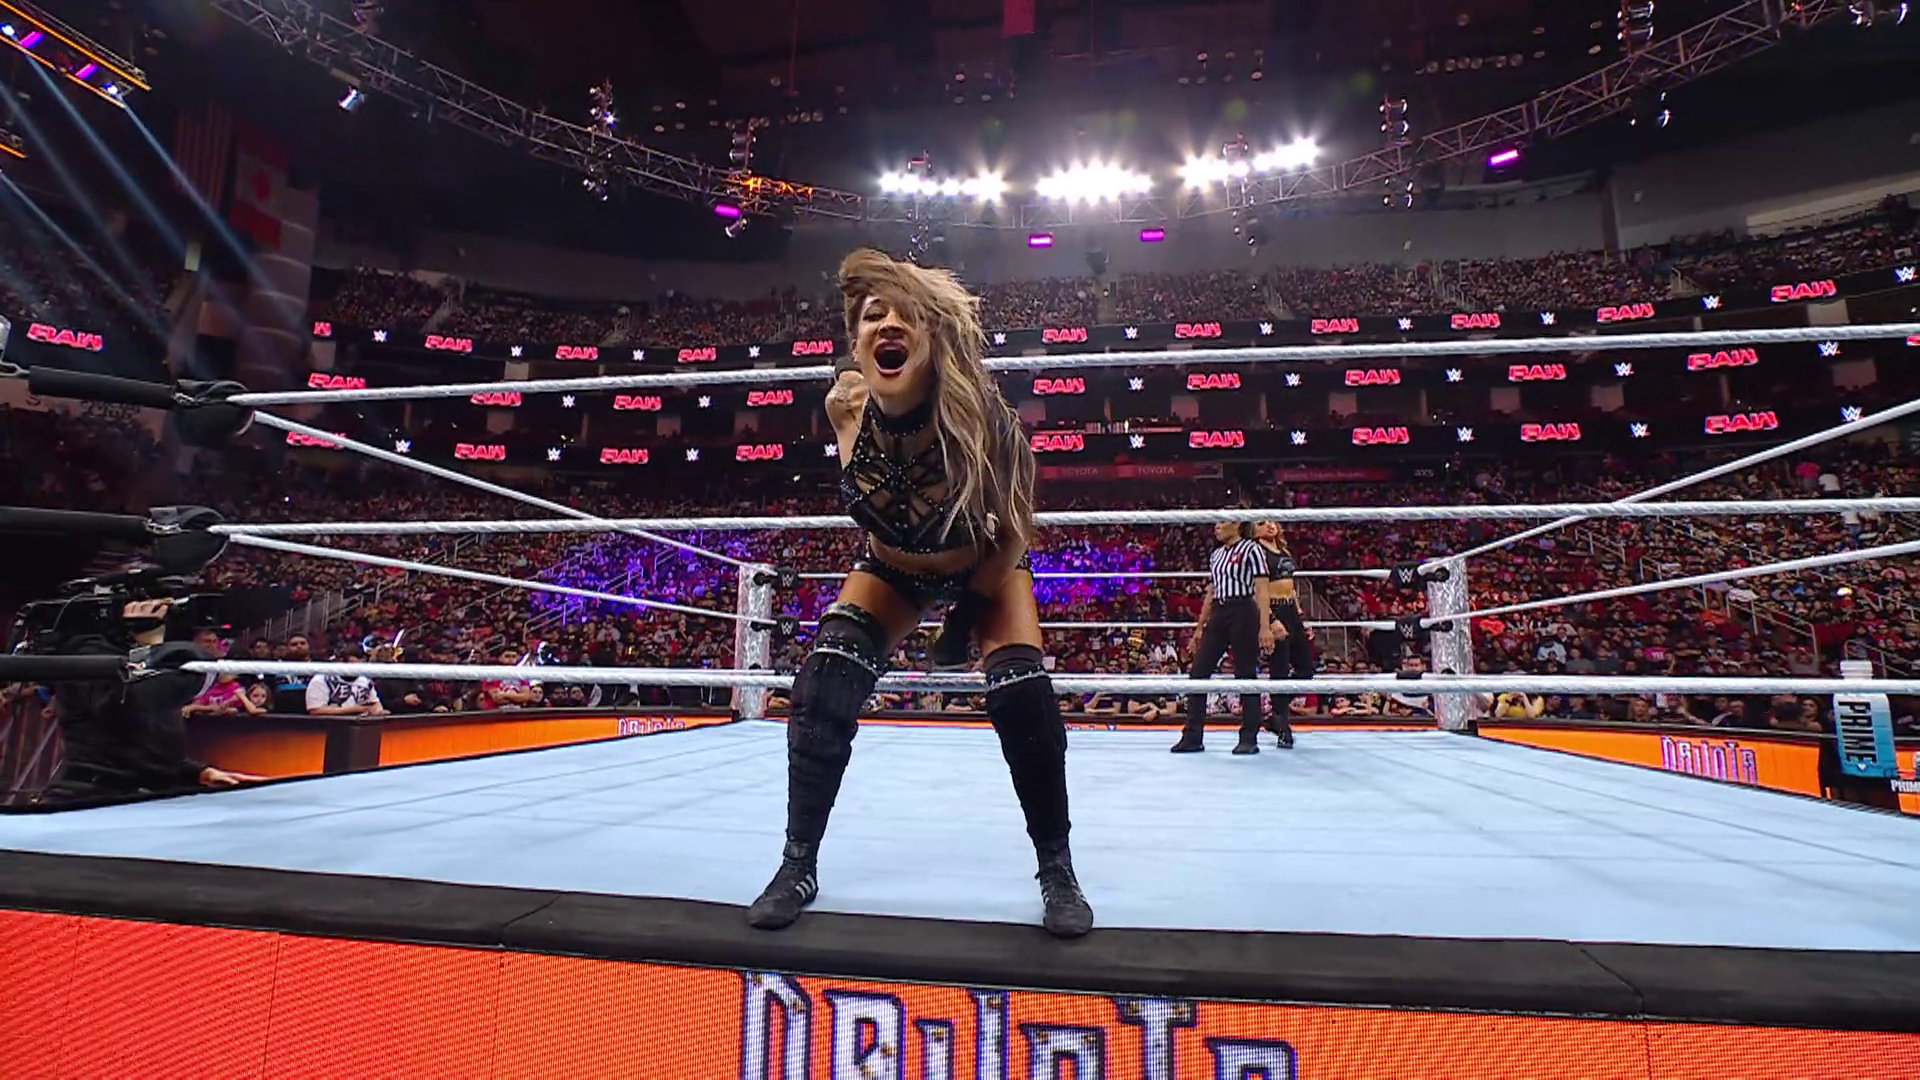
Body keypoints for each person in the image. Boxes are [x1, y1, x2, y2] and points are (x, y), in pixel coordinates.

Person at [748, 248, 1093, 938]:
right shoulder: (846, 409)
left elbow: (1014, 531)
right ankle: (796, 863)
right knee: (822, 685)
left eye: (907, 314)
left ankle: (1057, 869)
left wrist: (968, 612)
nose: (887, 324)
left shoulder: (981, 419)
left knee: (1022, 694)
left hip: (984, 563)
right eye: (873, 315)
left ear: (933, 338)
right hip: (892, 567)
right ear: (855, 342)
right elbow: (876, 509)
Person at [1171, 520, 1274, 755]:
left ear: (1236, 525)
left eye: (1222, 522)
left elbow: (1262, 588)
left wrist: (1265, 626)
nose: (1216, 527)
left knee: (1245, 672)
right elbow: (1212, 591)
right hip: (1219, 610)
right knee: (1198, 672)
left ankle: (1249, 737)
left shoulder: (1252, 549)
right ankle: (1192, 737)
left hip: (1243, 609)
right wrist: (1199, 628)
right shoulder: (1216, 555)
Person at [1255, 519, 1309, 748]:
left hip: (1290, 610)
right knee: (1280, 670)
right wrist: (1270, 620)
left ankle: (1275, 714)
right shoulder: (1257, 552)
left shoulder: (1283, 550)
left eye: (1271, 521)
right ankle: (1283, 729)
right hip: (1274, 609)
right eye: (1262, 523)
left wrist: (1299, 613)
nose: (1269, 525)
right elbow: (1257, 590)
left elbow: (1291, 585)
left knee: (1306, 669)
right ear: (1253, 530)